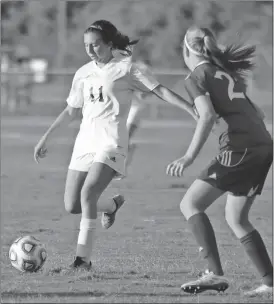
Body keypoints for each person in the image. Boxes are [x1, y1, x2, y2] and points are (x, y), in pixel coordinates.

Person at [34, 20, 197, 271]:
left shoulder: (126, 69)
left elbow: (160, 90)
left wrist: (190, 108)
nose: (90, 50)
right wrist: (46, 137)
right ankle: (111, 205)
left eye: (96, 44)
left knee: (88, 194)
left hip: (111, 143)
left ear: (110, 45)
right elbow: (70, 111)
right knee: (72, 205)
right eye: (87, 45)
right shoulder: (83, 73)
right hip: (84, 144)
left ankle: (82, 261)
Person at [166, 25, 273, 297]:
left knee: (190, 203)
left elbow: (207, 116)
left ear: (186, 49)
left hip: (240, 148)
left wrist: (188, 156)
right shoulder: (225, 72)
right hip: (262, 144)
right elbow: (257, 112)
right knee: (236, 218)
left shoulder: (196, 76)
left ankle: (213, 274)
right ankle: (270, 284)